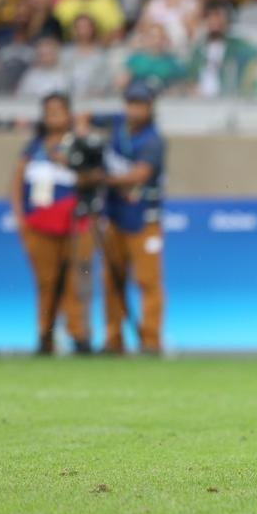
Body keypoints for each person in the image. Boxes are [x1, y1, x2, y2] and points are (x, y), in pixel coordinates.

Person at [80, 82, 166, 354]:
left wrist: (102, 179)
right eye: (130, 103)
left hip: (144, 217)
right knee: (112, 279)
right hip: (114, 214)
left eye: (140, 104)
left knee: (147, 281)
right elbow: (83, 117)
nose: (134, 109)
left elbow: (139, 174)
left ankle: (150, 341)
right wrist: (83, 132)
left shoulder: (154, 139)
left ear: (151, 107)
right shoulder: (116, 124)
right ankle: (113, 339)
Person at [10, 92, 93, 355]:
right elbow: (17, 182)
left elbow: (92, 177)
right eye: (49, 112)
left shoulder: (79, 143)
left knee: (75, 280)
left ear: (69, 114)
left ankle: (79, 335)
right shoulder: (34, 147)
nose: (53, 117)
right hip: (39, 222)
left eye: (59, 111)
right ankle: (45, 336)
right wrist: (20, 218)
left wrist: (68, 159)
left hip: (73, 222)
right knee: (46, 281)